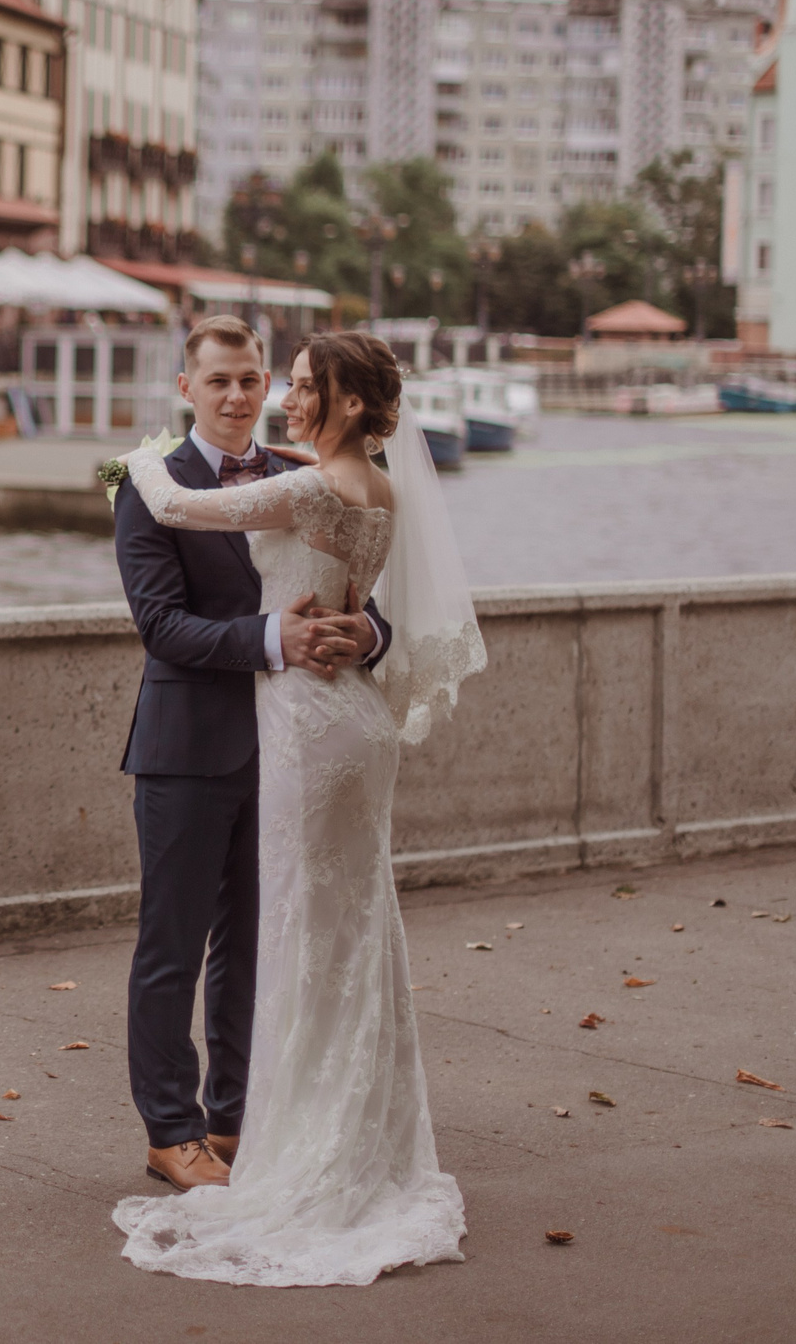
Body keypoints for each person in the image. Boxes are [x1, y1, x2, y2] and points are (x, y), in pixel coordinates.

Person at [108, 325, 486, 1287]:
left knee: (266, 942)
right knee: (174, 943)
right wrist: (275, 635)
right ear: (187, 384)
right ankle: (172, 1131)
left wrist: (367, 631)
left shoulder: (304, 470)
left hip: (301, 743)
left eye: (253, 379)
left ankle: (244, 1117)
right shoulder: (154, 488)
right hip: (196, 744)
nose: (240, 395)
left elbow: (362, 598)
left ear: (272, 383)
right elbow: (162, 624)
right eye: (219, 380)